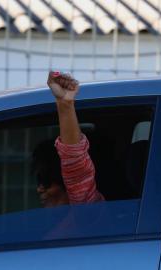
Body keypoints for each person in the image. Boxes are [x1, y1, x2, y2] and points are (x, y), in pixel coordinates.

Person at [34, 71, 104, 208]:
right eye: (39, 181)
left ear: (66, 181)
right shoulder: (52, 221)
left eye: (46, 180)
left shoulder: (85, 214)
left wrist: (65, 104)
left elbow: (75, 163)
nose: (39, 189)